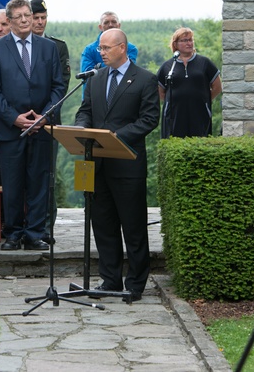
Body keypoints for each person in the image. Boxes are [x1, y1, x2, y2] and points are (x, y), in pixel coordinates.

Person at [74, 28, 159, 302]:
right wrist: (82, 129)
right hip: (97, 165)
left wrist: (115, 138)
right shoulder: (96, 79)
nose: (102, 53)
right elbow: (85, 110)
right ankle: (110, 279)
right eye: (100, 49)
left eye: (107, 48)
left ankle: (135, 284)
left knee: (132, 226)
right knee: (103, 224)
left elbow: (149, 119)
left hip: (127, 165)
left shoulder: (145, 79)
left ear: (122, 48)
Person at [0, 0, 64, 251]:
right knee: (13, 184)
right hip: (10, 130)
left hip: (41, 127)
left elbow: (58, 86)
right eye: (19, 17)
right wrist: (14, 118)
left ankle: (34, 233)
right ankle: (13, 233)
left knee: (39, 182)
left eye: (28, 15)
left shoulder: (48, 47)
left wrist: (45, 115)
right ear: (9, 21)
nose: (25, 20)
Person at [157, 27, 222, 138]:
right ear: (175, 44)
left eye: (190, 40)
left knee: (200, 145)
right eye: (184, 40)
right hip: (174, 116)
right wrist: (173, 101)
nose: (189, 43)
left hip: (199, 114)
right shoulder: (168, 66)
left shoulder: (204, 63)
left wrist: (204, 100)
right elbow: (160, 92)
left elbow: (217, 87)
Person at [30, 0, 70, 94]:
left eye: (43, 18)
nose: (40, 22)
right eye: (36, 18)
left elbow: (63, 81)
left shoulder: (59, 47)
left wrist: (52, 107)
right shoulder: (20, 44)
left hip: (50, 106)